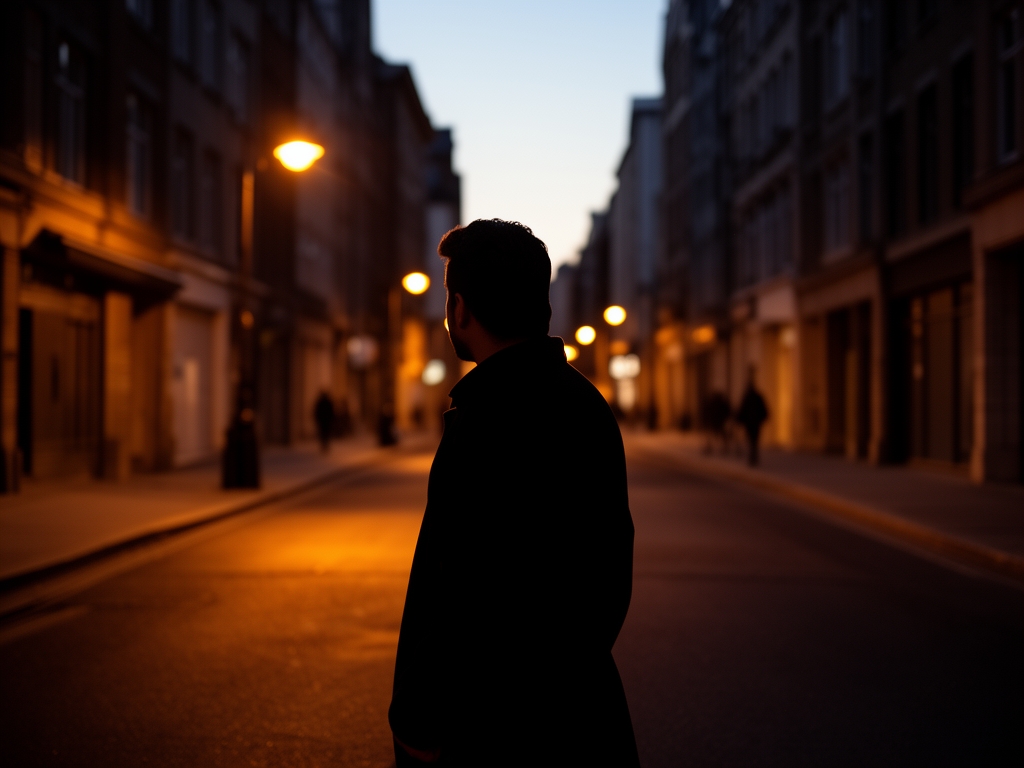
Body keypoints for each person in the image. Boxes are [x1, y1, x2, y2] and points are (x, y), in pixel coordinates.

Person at [389, 219, 639, 767]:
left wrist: (417, 721)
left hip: (487, 733)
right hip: (584, 720)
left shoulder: (483, 422)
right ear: (541, 306)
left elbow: (451, 592)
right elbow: (610, 577)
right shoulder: (588, 408)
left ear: (459, 308)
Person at [736, 372, 769, 467]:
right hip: (756, 422)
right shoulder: (758, 397)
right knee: (755, 440)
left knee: (751, 440)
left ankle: (752, 457)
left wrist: (739, 421)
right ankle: (754, 456)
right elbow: (764, 409)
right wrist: (763, 418)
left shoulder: (746, 397)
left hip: (749, 423)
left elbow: (742, 410)